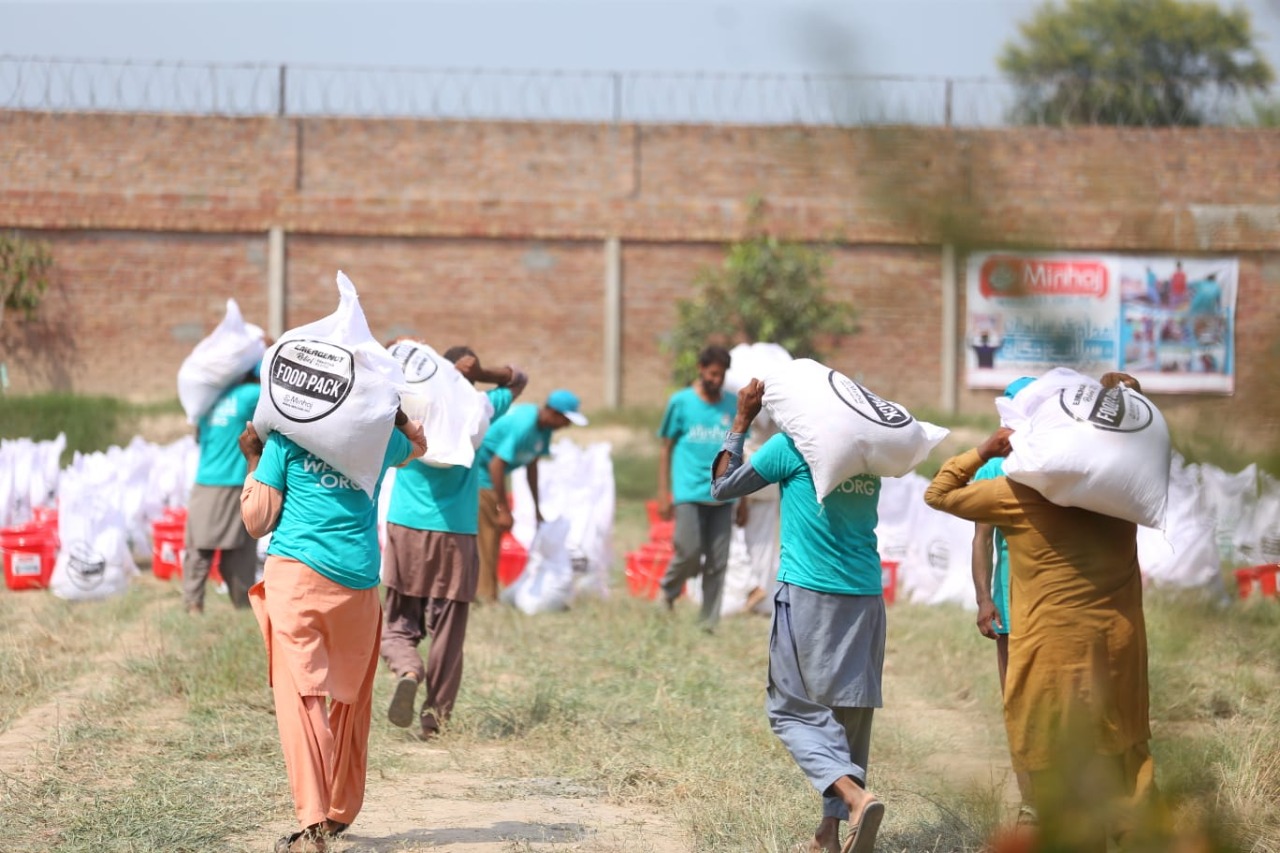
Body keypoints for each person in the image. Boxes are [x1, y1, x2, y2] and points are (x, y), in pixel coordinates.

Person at [924, 372, 1161, 850]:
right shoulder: (1119, 498)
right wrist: (1125, 398)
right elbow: (1129, 446)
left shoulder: (1015, 496)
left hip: (1052, 663)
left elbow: (939, 493)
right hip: (1121, 653)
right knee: (1126, 758)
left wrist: (984, 452)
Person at [239, 408, 427, 853]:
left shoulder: (285, 442)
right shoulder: (377, 441)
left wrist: (253, 457)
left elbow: (257, 519)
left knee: (300, 696)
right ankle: (339, 812)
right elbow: (419, 446)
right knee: (350, 699)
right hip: (357, 584)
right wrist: (394, 415)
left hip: (297, 580)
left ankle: (313, 819)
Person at [711, 379, 886, 853]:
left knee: (789, 710)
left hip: (810, 593)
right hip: (867, 595)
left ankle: (853, 796)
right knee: (849, 717)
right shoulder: (870, 448)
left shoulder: (790, 446)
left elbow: (723, 487)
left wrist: (742, 420)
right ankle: (829, 835)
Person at [380, 347, 528, 739]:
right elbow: (519, 378)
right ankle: (434, 721)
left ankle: (407, 667)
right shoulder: (478, 407)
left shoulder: (410, 405)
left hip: (406, 526)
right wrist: (484, 371)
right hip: (457, 533)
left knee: (397, 621)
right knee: (448, 629)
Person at [969, 376, 1035, 821]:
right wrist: (983, 599)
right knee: (1016, 701)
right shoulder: (992, 470)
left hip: (1048, 605)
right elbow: (981, 540)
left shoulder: (1050, 466)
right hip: (1009, 605)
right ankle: (1031, 800)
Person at [475, 389, 586, 604]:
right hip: (480, 476)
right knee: (488, 536)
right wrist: (503, 509)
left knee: (492, 535)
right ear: (553, 412)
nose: (567, 425)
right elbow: (496, 465)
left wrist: (537, 509)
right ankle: (486, 597)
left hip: (491, 477)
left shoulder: (544, 430)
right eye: (566, 419)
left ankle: (485, 593)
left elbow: (532, 466)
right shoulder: (524, 425)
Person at [656, 344, 738, 630]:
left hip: (723, 495)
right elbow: (666, 447)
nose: (717, 379)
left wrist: (745, 499)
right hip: (688, 491)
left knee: (718, 561)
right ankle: (667, 591)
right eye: (713, 373)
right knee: (689, 552)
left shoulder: (732, 405)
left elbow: (740, 451)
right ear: (701, 370)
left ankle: (708, 622)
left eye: (722, 374)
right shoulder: (680, 402)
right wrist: (663, 492)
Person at [182, 363, 262, 613]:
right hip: (233, 482)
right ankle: (244, 606)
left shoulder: (207, 400)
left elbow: (198, 436)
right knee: (238, 551)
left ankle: (193, 606)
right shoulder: (248, 395)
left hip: (204, 483)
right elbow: (275, 388)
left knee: (198, 549)